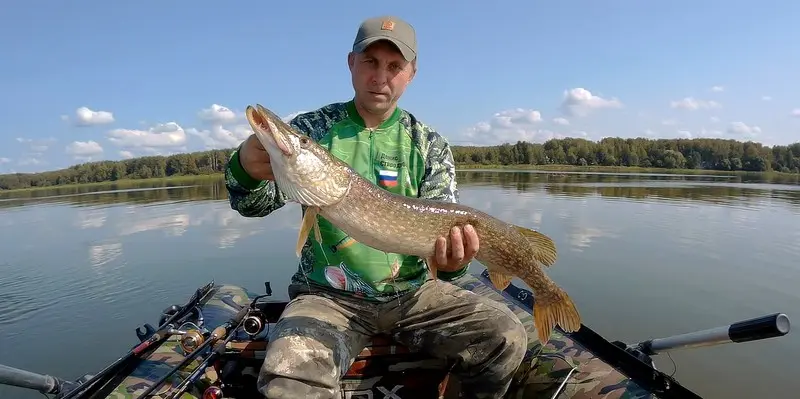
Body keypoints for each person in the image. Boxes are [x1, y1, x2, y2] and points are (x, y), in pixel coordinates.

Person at [224, 15, 528, 399]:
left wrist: (455, 265)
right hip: (327, 297)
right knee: (288, 382)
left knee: (505, 336)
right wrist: (244, 169)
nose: (380, 76)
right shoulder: (315, 130)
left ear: (411, 73)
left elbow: (447, 256)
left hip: (416, 296)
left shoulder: (428, 144)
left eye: (394, 66)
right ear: (351, 63)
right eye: (370, 62)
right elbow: (253, 205)